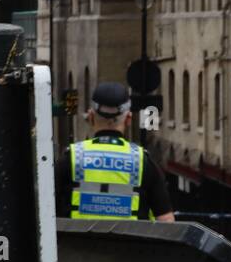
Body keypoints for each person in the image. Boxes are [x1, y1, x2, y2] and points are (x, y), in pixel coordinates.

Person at [56, 81, 175, 222]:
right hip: (131, 244)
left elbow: (44, 210)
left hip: (75, 244)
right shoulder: (144, 162)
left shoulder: (71, 157)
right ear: (128, 119)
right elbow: (166, 220)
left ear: (91, 116)